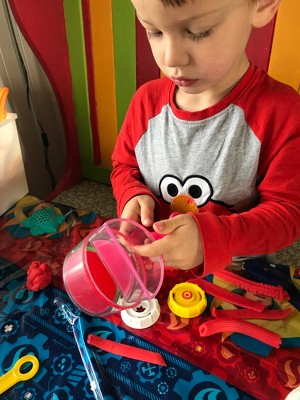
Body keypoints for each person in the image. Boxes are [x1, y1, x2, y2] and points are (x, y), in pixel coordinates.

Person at [111, 0, 300, 277]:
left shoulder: (284, 112)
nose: (171, 59)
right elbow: (124, 167)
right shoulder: (146, 101)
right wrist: (132, 194)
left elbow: (287, 214)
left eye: (198, 31)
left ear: (262, 5)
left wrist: (212, 238)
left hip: (238, 273)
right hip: (160, 269)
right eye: (154, 31)